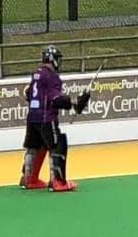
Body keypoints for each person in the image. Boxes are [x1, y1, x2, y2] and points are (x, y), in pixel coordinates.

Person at [21, 45, 91, 192]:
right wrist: (75, 103)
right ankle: (58, 181)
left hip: (32, 117)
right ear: (53, 60)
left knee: (35, 146)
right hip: (46, 118)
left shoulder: (37, 74)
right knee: (58, 144)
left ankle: (28, 178)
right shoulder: (52, 77)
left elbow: (27, 94)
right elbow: (55, 99)